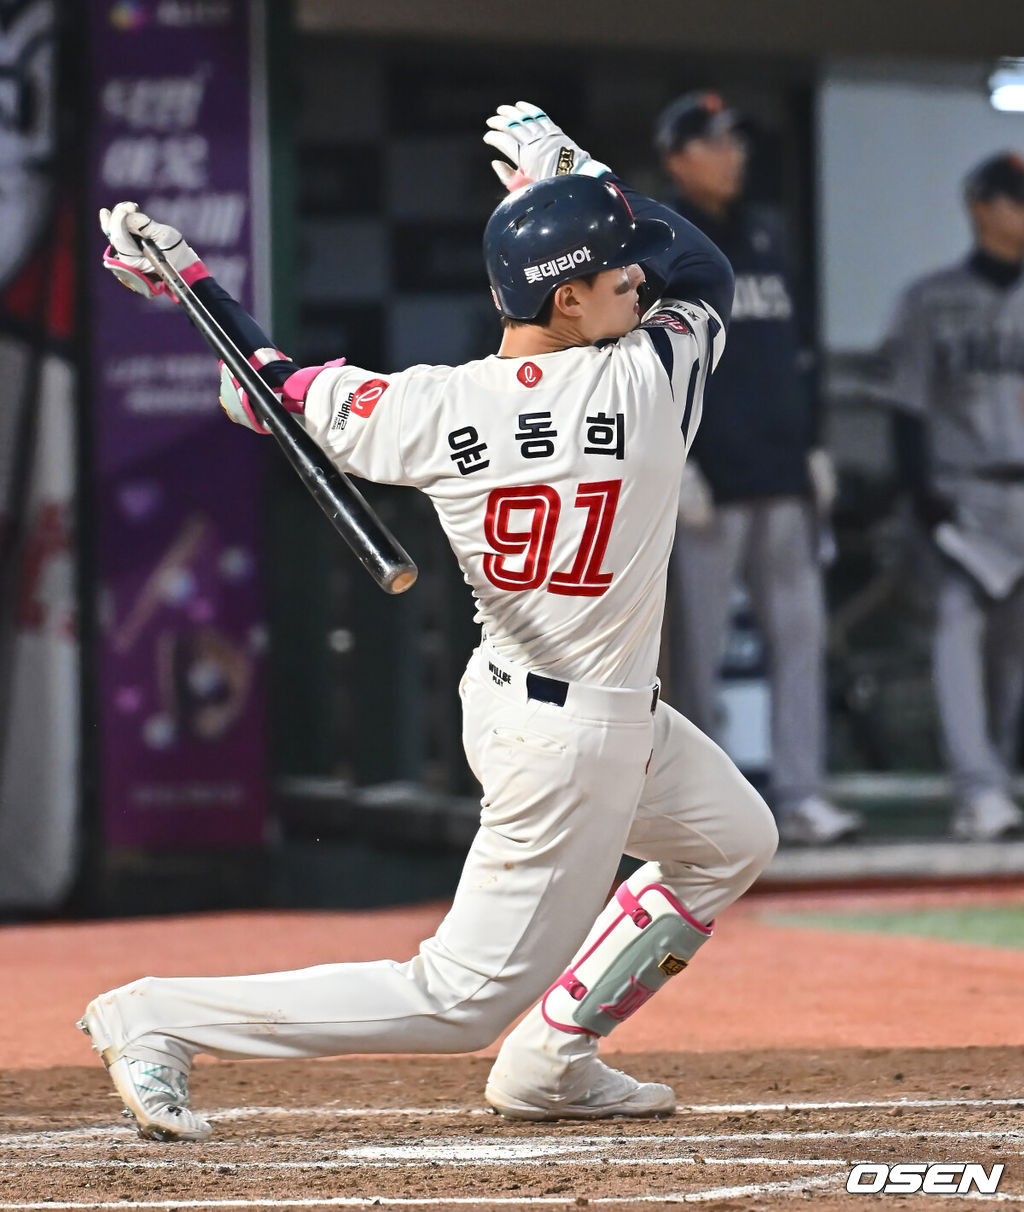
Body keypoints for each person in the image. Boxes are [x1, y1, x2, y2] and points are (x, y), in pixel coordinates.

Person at [79, 101, 777, 1142]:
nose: (643, 281)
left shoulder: (425, 409)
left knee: (729, 838)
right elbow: (704, 271)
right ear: (571, 297)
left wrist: (191, 285)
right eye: (618, 276)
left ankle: (551, 1060)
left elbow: (264, 386)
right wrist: (561, 168)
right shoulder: (650, 379)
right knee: (456, 997)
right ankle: (157, 1018)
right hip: (572, 739)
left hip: (519, 696)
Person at [652, 91, 863, 846]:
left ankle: (804, 796)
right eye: (714, 143)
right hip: (711, 484)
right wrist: (675, 463)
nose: (732, 155)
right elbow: (650, 367)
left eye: (736, 142)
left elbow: (791, 358)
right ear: (678, 157)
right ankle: (701, 813)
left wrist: (812, 444)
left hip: (783, 479)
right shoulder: (662, 246)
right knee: (697, 660)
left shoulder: (764, 238)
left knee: (800, 646)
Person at [877, 151, 1024, 842]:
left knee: (1010, 651)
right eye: (1014, 199)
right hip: (963, 493)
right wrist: (918, 492)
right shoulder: (930, 300)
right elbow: (905, 407)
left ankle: (991, 781)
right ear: (980, 207)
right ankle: (978, 784)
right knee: (960, 629)